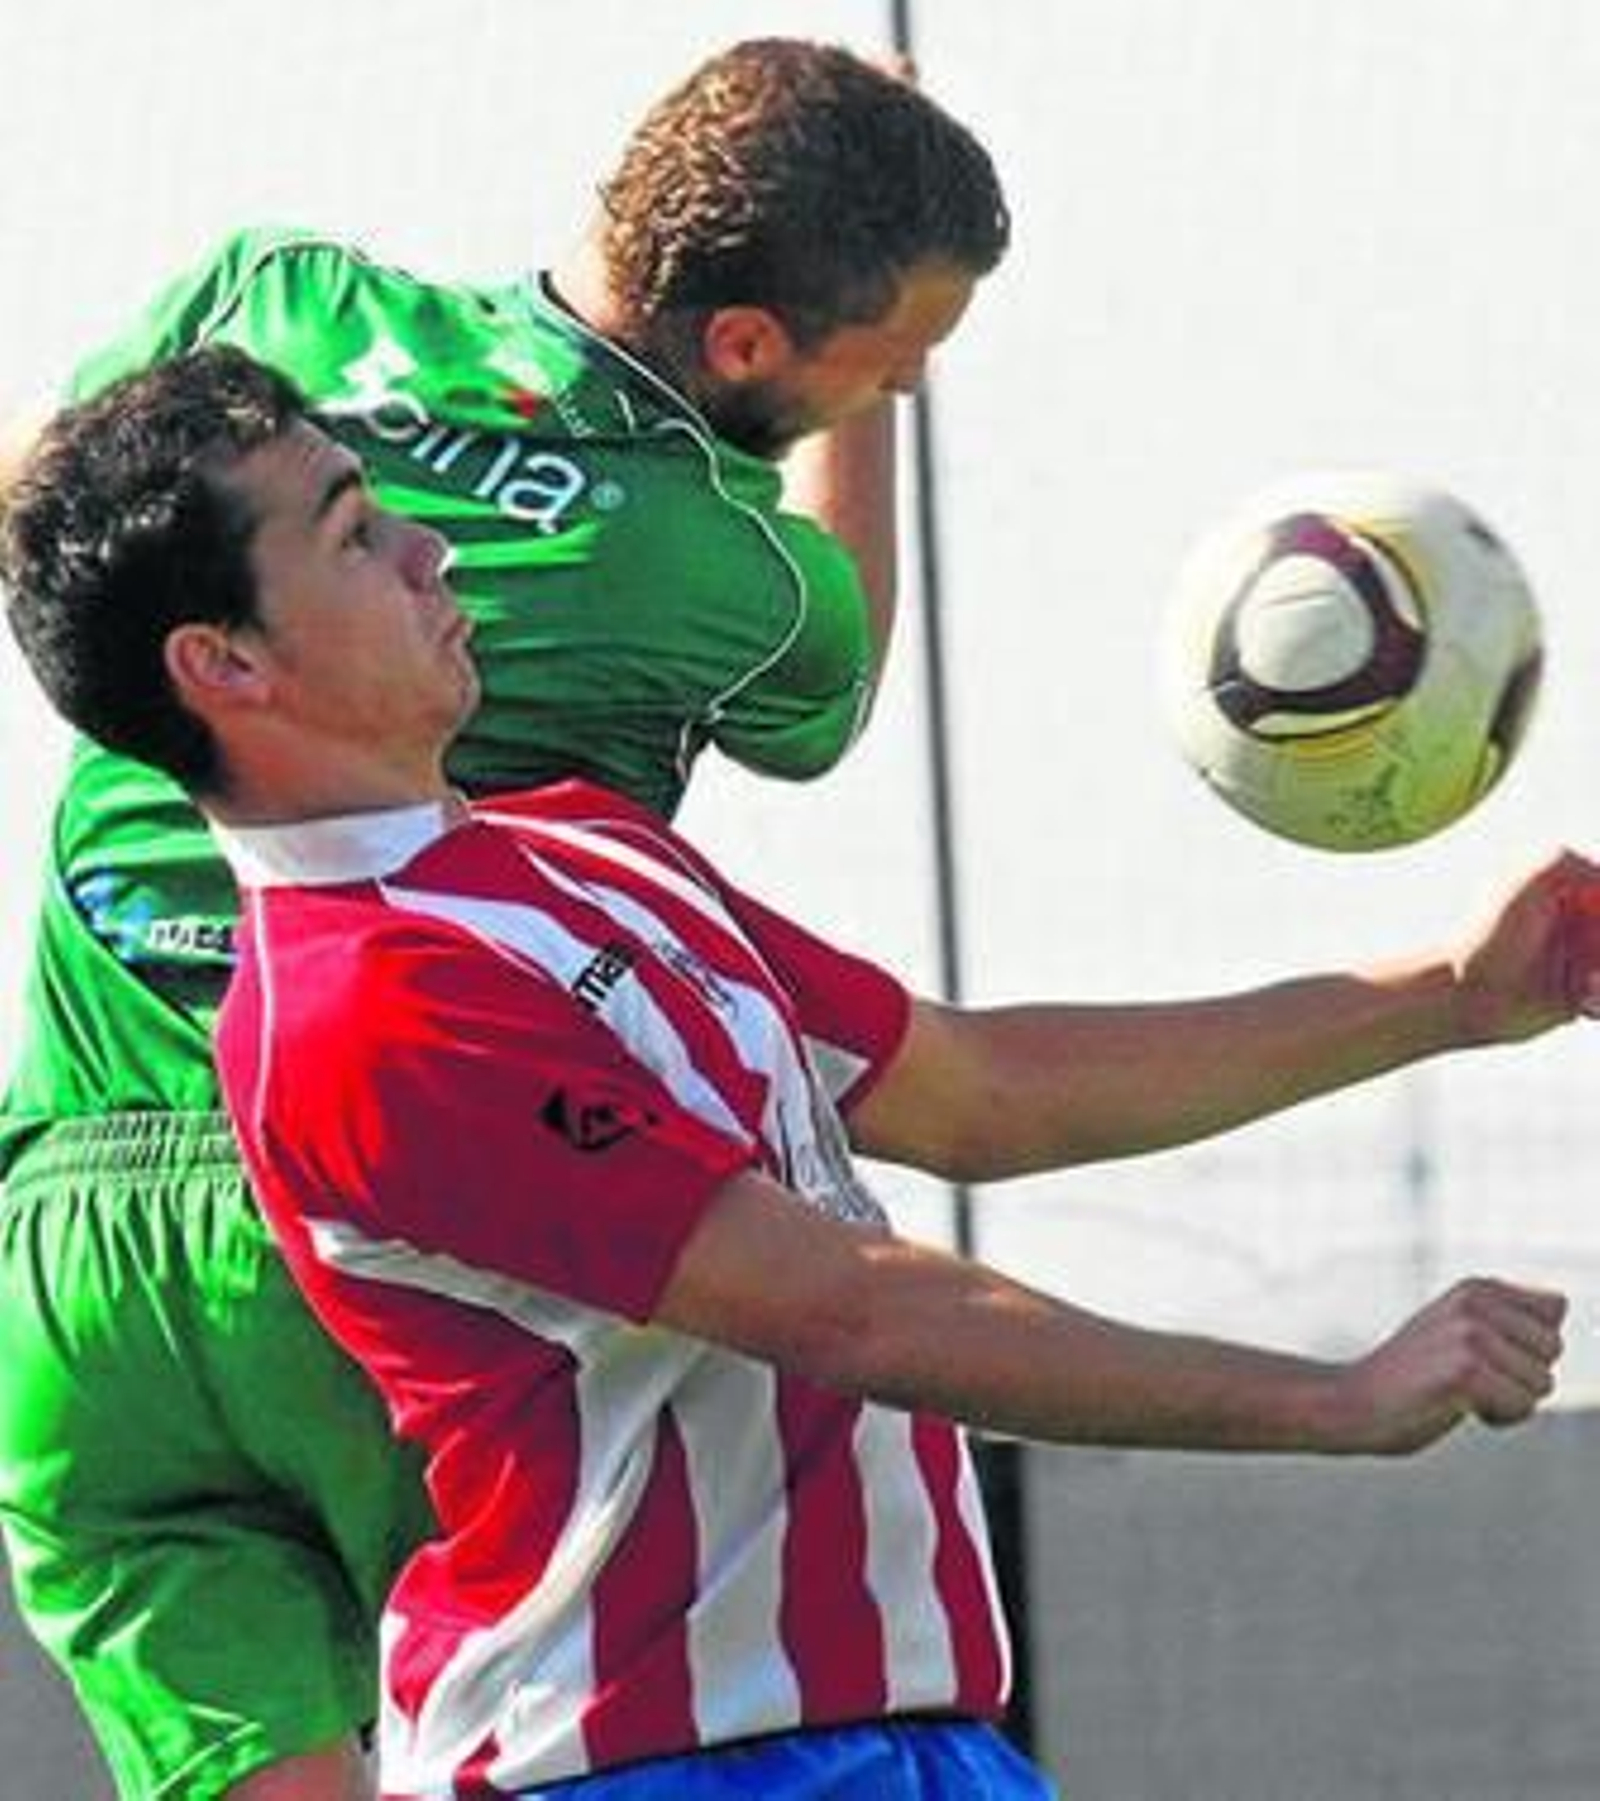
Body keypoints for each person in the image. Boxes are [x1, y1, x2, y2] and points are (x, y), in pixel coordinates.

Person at [8, 353, 1587, 1800]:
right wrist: (1333, 1398)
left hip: (914, 1739)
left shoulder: (579, 845)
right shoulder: (362, 1015)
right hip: (638, 1762)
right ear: (225, 663)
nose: (431, 550)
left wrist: (1448, 998)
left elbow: (978, 1089)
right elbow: (854, 1306)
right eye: (355, 535)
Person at [0, 40, 1008, 1801]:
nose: (908, 381)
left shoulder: (274, 298)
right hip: (391, 1196)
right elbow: (832, 696)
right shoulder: (732, 571)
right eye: (900, 354)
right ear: (754, 349)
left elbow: (50, 502)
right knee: (556, 1726)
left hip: (67, 1242)